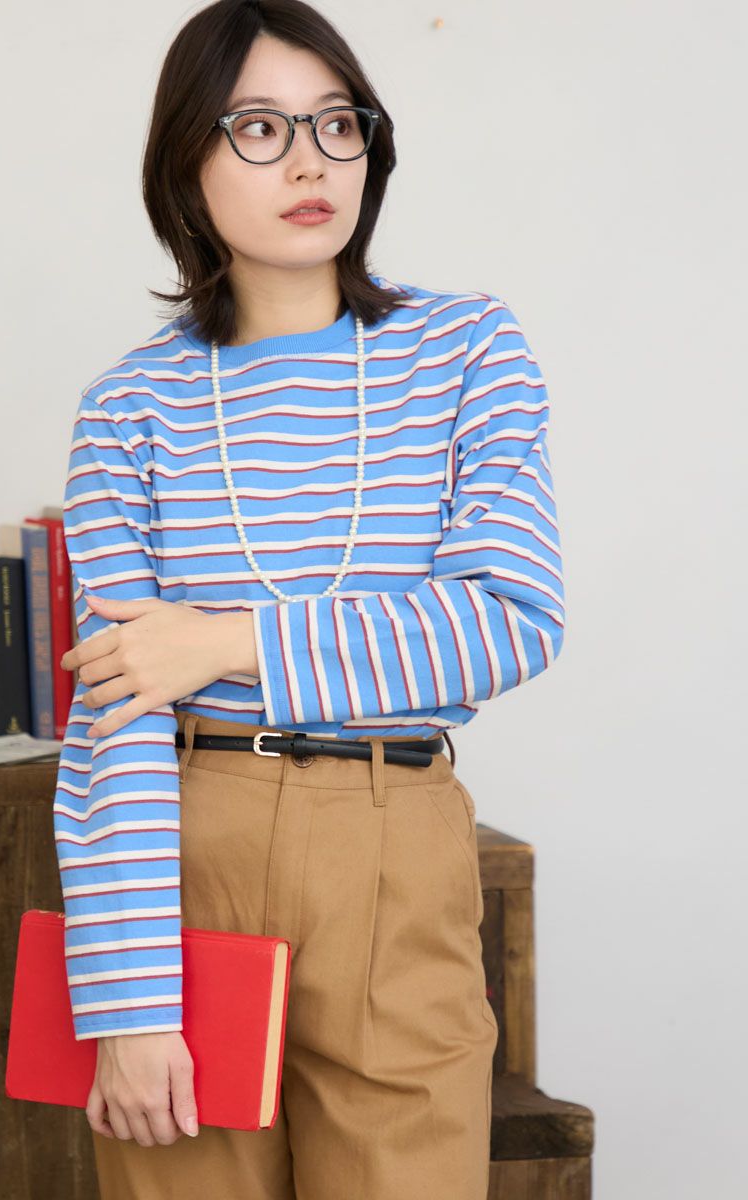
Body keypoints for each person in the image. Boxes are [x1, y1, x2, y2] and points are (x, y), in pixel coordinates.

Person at [52, 1, 565, 1196]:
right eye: (259, 127)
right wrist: (130, 1004)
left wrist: (223, 642)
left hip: (394, 840)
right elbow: (117, 709)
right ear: (186, 161)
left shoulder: (468, 350)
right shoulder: (127, 407)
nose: (309, 161)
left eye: (339, 124)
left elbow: (509, 618)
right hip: (187, 842)